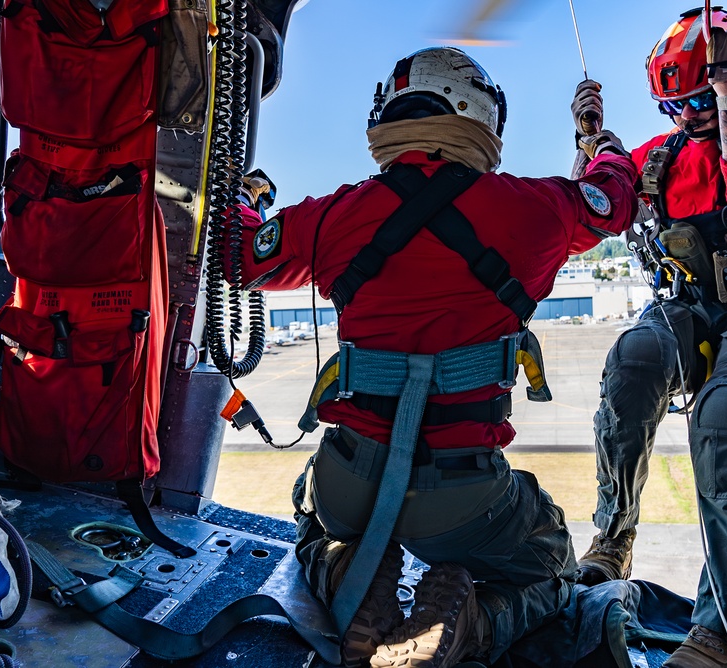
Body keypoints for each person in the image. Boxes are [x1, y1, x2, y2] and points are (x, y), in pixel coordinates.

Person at [226, 46, 637, 668]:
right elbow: (615, 200)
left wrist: (251, 197)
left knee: (310, 506)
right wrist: (598, 144)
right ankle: (473, 622)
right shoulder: (538, 209)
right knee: (550, 566)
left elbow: (238, 254)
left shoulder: (330, 216)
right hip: (464, 496)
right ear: (480, 116)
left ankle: (345, 575)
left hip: (351, 481)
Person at [570, 7, 727, 668]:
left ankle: (725, 633)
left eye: (695, 98)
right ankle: (612, 536)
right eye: (674, 103)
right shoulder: (660, 157)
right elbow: (596, 209)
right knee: (631, 364)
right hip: (686, 311)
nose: (688, 114)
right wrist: (592, 144)